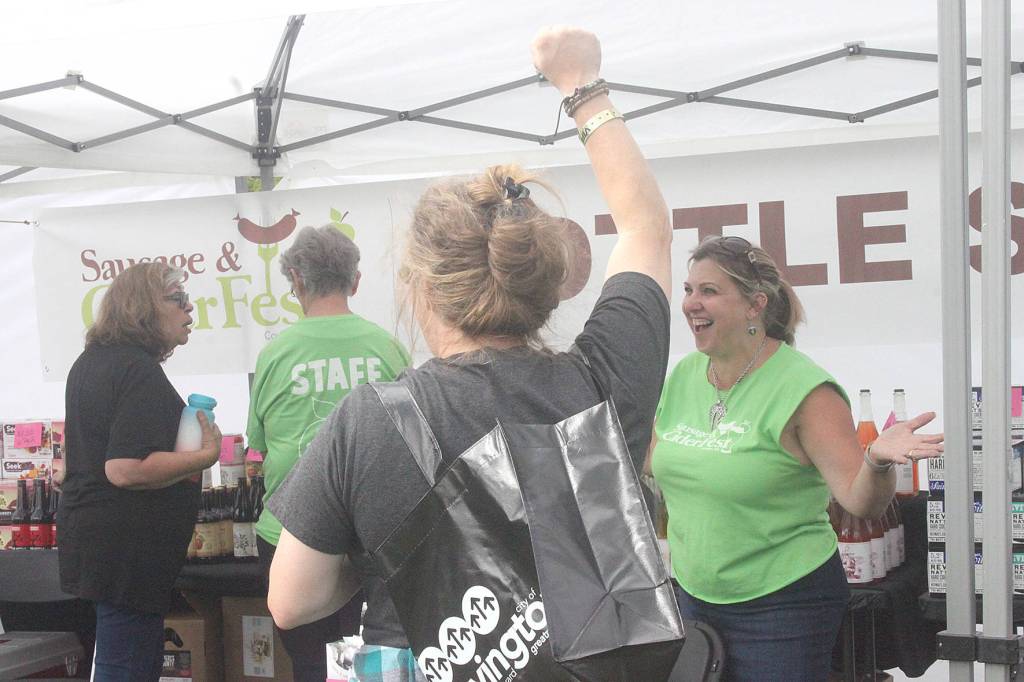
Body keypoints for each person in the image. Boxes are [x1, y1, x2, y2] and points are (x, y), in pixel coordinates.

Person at [264, 26, 673, 680]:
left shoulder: (367, 423)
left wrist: (387, 556)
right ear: (544, 280)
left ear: (422, 288)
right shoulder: (601, 382)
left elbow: (291, 602)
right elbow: (645, 228)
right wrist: (581, 86)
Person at [650, 235, 944, 682]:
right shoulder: (684, 376)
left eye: (709, 291)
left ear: (755, 306)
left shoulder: (806, 390)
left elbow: (861, 502)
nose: (692, 303)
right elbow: (657, 459)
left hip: (781, 604)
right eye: (689, 290)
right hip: (693, 595)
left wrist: (879, 461)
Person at [246, 224, 411, 682]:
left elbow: (257, 450)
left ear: (295, 280)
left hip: (291, 536)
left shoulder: (275, 355)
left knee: (310, 665)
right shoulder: (388, 348)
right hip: (375, 535)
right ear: (355, 282)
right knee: (380, 660)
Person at [58, 262, 221, 681]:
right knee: (126, 666)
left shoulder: (89, 362)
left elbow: (79, 461)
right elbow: (125, 469)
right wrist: (204, 456)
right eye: (179, 300)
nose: (190, 311)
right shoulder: (137, 370)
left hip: (101, 545)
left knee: (126, 662)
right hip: (126, 554)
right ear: (145, 305)